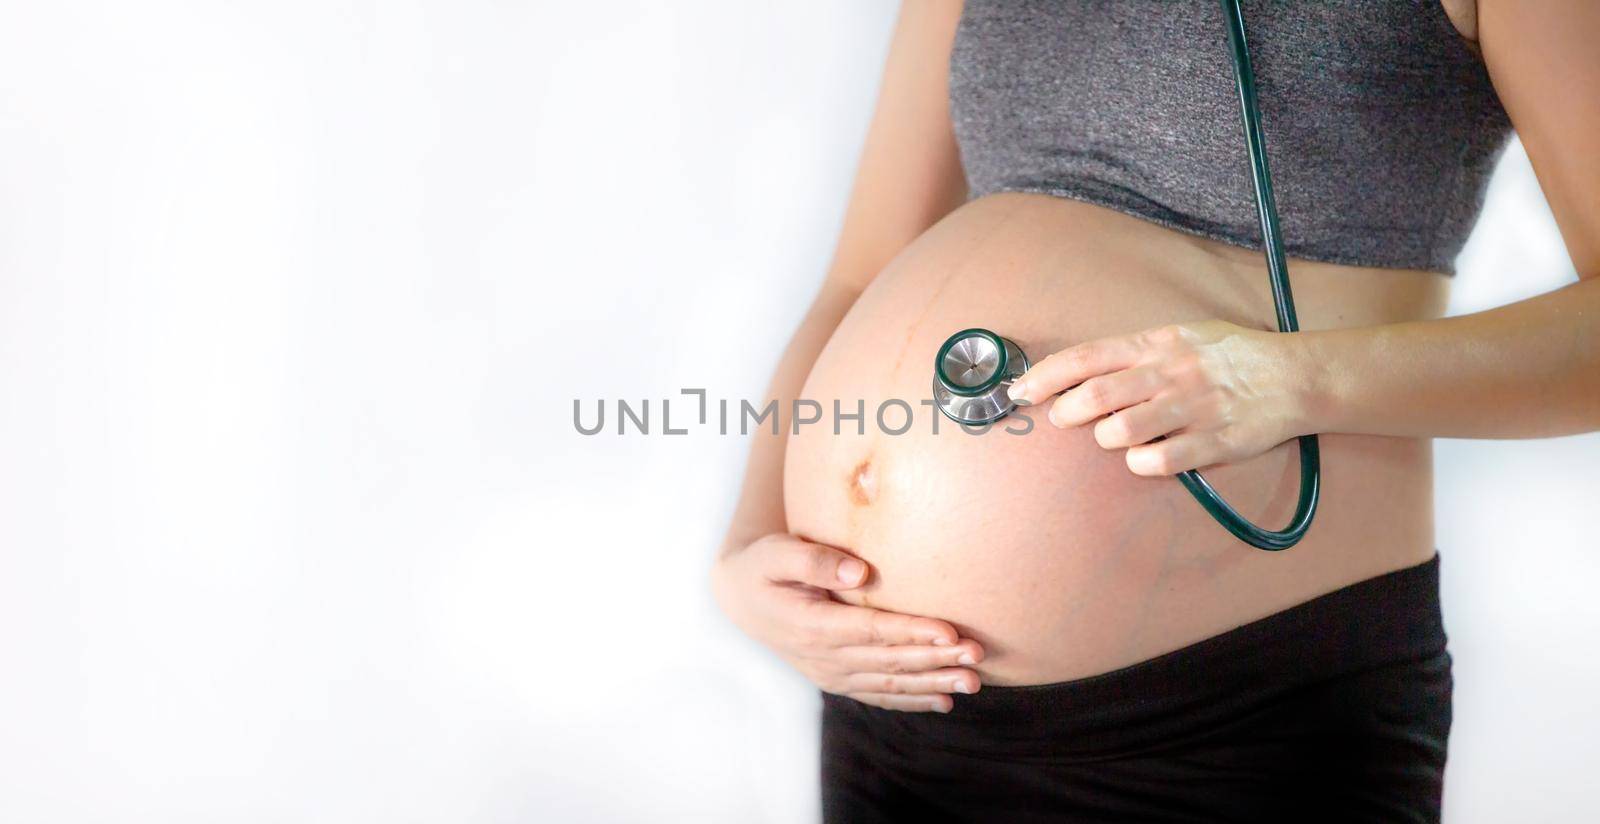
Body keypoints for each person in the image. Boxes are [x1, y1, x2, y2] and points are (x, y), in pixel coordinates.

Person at [711, 1, 1600, 820]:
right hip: (888, 710)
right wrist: (751, 543)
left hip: (1226, 725)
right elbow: (859, 275)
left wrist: (1295, 378)